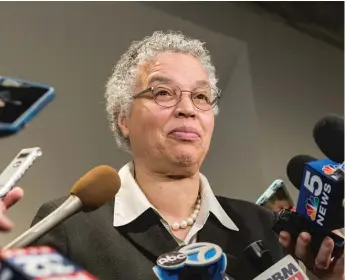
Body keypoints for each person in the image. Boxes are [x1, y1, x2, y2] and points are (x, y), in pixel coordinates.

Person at [31, 31, 344, 280]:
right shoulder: (69, 225)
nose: (187, 109)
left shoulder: (263, 225)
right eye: (163, 93)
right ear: (123, 119)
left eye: (201, 96)